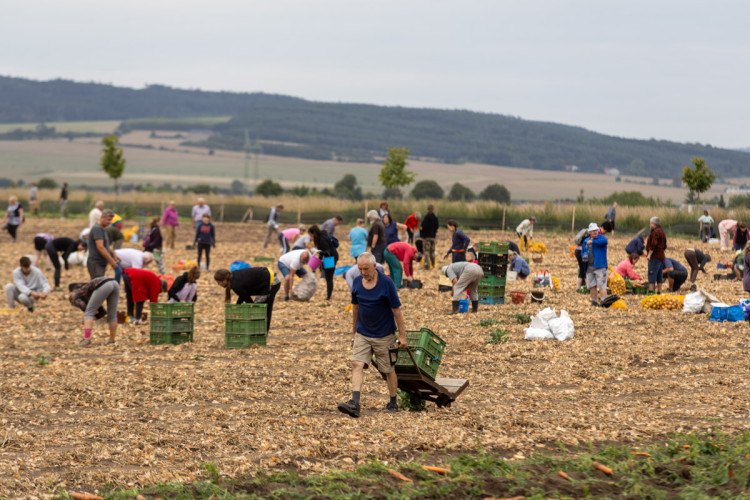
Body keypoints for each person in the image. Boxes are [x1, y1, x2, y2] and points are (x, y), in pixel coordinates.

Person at [338, 252, 407, 418]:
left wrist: (402, 336)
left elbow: (396, 310)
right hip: (363, 332)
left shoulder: (386, 283)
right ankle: (354, 403)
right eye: (360, 269)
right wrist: (353, 331)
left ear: (374, 266)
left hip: (384, 334)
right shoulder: (356, 283)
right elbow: (355, 308)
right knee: (357, 363)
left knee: (388, 370)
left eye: (366, 269)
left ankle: (393, 402)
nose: (363, 272)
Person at [214, 267, 281, 333]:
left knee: (264, 310)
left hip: (272, 282)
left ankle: (263, 333)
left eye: (219, 282)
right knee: (259, 308)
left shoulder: (236, 285)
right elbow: (243, 294)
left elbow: (248, 301)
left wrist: (252, 310)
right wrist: (237, 306)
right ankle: (259, 332)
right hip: (266, 281)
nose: (218, 284)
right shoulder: (234, 277)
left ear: (225, 280)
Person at [70, 276, 119, 347]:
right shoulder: (86, 294)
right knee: (112, 314)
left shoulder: (76, 298)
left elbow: (88, 311)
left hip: (103, 284)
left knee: (88, 313)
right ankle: (112, 339)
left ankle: (86, 340)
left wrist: (87, 319)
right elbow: (101, 312)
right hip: (114, 283)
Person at [309, 224, 339, 300]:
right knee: (327, 276)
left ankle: (328, 296)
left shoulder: (322, 239)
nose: (310, 237)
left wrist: (319, 252)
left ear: (314, 233)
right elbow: (322, 252)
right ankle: (329, 294)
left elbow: (327, 252)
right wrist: (317, 263)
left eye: (311, 235)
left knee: (329, 277)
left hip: (330, 258)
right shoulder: (320, 238)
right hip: (329, 257)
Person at [88, 209, 120, 279]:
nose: (110, 222)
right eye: (108, 220)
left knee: (99, 285)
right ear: (102, 218)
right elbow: (100, 247)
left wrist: (113, 254)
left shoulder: (103, 229)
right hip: (96, 263)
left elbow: (106, 245)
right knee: (98, 286)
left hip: (100, 263)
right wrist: (111, 261)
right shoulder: (97, 229)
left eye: (111, 220)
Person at [582, 222, 608, 306]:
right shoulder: (586, 240)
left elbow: (604, 241)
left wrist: (592, 242)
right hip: (589, 267)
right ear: (589, 232)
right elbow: (583, 251)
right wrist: (583, 257)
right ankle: (594, 301)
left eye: (596, 230)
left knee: (602, 285)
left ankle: (604, 301)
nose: (595, 232)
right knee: (592, 285)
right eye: (593, 231)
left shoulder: (601, 238)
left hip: (600, 266)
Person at [645, 216, 667, 295]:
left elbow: (653, 245)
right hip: (661, 256)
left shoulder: (655, 232)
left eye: (650, 223)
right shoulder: (662, 232)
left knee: (652, 273)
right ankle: (659, 292)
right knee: (659, 274)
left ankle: (651, 292)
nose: (650, 225)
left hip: (654, 257)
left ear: (654, 224)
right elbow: (665, 245)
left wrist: (649, 255)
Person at [420, 205, 439, 270]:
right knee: (432, 252)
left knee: (426, 252)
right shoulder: (435, 217)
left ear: (427, 209)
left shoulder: (426, 217)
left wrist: (422, 233)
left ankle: (427, 266)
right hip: (433, 237)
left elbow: (423, 226)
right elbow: (437, 226)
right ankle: (433, 265)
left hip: (427, 237)